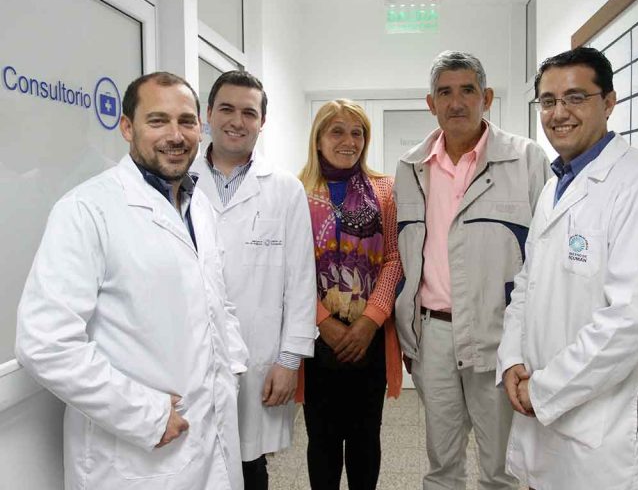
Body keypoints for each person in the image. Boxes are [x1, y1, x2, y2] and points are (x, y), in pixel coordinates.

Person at [15, 71, 249, 490]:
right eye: (157, 121)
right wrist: (146, 414)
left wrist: (231, 365)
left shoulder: (198, 207)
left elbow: (217, 302)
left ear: (200, 128)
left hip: (209, 436)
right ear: (127, 127)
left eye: (186, 121)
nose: (175, 135)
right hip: (135, 455)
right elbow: (44, 344)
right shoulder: (86, 210)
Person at [496, 46, 638, 490]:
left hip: (603, 429)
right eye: (548, 101)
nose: (559, 112)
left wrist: (544, 389)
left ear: (609, 102)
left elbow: (634, 319)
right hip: (544, 405)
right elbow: (527, 284)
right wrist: (512, 358)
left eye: (576, 97)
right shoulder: (556, 186)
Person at [394, 50, 551, 490]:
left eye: (467, 90)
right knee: (441, 463)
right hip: (433, 335)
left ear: (487, 98)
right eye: (445, 92)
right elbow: (405, 252)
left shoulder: (526, 159)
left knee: (501, 466)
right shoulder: (411, 167)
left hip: (498, 333)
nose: (456, 102)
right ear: (431, 103)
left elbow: (546, 254)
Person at [191, 70, 316, 490]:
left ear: (262, 122)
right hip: (189, 354)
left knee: (249, 464)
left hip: (258, 355)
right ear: (208, 114)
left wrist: (289, 361)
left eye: (249, 112)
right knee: (193, 460)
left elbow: (301, 282)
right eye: (226, 109)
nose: (237, 121)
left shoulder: (284, 190)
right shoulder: (181, 182)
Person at [296, 99, 402, 490]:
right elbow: (290, 269)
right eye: (337, 131)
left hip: (368, 338)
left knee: (365, 440)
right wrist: (323, 322)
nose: (349, 141)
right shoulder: (296, 193)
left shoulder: (384, 190)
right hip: (316, 339)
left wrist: (370, 320)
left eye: (357, 133)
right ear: (318, 139)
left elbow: (394, 258)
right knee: (322, 441)